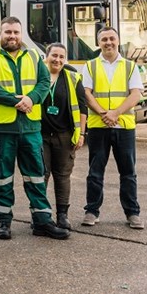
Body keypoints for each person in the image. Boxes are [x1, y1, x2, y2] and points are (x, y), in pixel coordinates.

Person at [0, 17, 69, 241]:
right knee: (2, 178)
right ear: (0, 33)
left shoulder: (33, 55)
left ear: (22, 34)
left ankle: (42, 222)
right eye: (8, 32)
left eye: (16, 32)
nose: (12, 36)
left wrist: (31, 99)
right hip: (2, 129)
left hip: (30, 128)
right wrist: (15, 101)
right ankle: (3, 222)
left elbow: (43, 81)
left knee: (36, 177)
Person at [81, 27, 145, 229]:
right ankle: (91, 211)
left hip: (124, 126)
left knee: (128, 172)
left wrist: (115, 113)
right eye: (104, 39)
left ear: (118, 41)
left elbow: (136, 95)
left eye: (112, 38)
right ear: (98, 43)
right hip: (99, 126)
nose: (108, 42)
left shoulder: (130, 66)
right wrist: (103, 113)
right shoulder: (90, 66)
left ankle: (132, 213)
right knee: (95, 171)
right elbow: (86, 94)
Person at [41, 42, 88, 230]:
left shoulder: (73, 78)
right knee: (40, 175)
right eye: (54, 55)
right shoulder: (38, 75)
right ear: (46, 57)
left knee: (62, 176)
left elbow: (82, 108)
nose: (57, 60)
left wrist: (82, 134)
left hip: (65, 135)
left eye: (61, 57)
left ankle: (62, 215)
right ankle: (41, 215)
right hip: (41, 135)